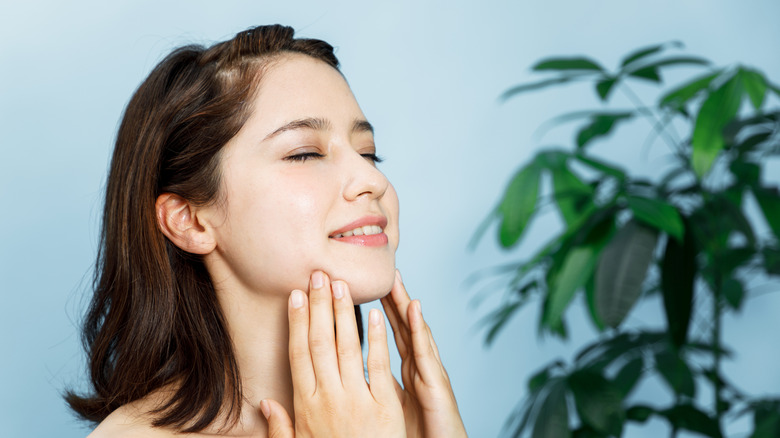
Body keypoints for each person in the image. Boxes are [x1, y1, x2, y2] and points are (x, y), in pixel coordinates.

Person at [66, 24, 467, 437]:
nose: (372, 180)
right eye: (305, 154)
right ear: (189, 220)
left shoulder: (399, 419)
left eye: (368, 153)